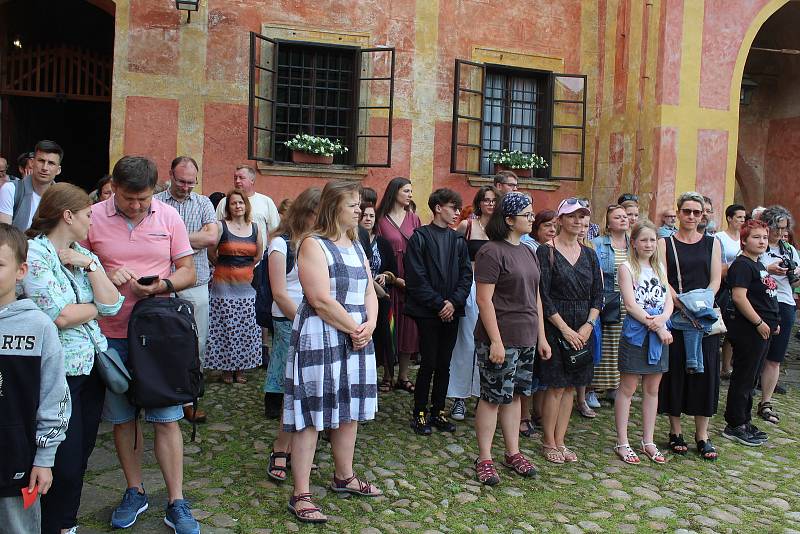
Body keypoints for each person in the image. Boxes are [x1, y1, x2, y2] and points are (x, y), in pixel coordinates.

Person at [82, 155, 200, 533]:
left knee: (166, 419)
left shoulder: (168, 216)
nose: (136, 206)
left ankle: (177, 500)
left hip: (158, 337)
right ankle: (135, 489)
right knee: (122, 418)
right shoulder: (91, 217)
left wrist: (162, 286)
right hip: (110, 333)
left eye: (144, 199)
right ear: (113, 187)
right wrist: (101, 272)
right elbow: (69, 264)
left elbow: (189, 271)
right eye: (129, 198)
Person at [22, 184, 124, 533]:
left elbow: (115, 304)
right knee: (58, 461)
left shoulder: (80, 253)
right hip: (57, 374)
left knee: (79, 457)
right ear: (68, 215)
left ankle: (66, 523)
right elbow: (58, 314)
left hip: (89, 370)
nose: (91, 223)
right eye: (87, 216)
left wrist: (92, 263)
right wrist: (95, 309)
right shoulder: (34, 255)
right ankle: (47, 524)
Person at [284, 180, 381, 523]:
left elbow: (370, 288)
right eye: (353, 204)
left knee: (349, 407)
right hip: (322, 334)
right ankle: (301, 494)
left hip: (356, 335)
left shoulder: (356, 242)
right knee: (311, 412)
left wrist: (371, 322)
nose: (360, 209)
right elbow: (320, 299)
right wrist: (356, 328)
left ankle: (344, 475)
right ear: (333, 206)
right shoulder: (313, 244)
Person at [473, 192, 550, 485]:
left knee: (516, 395)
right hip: (501, 338)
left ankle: (512, 451)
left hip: (526, 336)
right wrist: (495, 340)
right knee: (492, 397)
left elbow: (536, 298)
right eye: (527, 215)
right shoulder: (491, 252)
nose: (532, 218)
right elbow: (484, 300)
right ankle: (484, 457)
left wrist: (541, 337)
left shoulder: (529, 251)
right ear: (509, 219)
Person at [0, 224, 70, 534]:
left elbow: (54, 396)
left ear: (21, 270)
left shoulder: (39, 327)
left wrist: (44, 458)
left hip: (18, 463)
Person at [536, 197, 603, 464]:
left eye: (582, 216)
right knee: (555, 386)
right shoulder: (546, 251)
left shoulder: (589, 253)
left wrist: (588, 326)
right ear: (560, 220)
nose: (578, 221)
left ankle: (561, 439)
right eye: (573, 216)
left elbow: (598, 294)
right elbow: (543, 294)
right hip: (556, 325)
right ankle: (548, 441)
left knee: (571, 388)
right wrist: (564, 330)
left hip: (583, 327)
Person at [657, 191, 722, 461]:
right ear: (679, 212)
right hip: (677, 315)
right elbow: (663, 277)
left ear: (702, 215)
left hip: (705, 317)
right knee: (676, 373)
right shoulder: (665, 243)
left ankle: (702, 435)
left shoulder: (712, 243)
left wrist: (702, 304)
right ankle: (675, 431)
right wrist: (682, 304)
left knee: (704, 375)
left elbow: (715, 279)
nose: (692, 216)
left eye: (697, 212)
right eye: (687, 212)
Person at [262, 187, 321, 482]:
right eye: (315, 213)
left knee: (311, 391)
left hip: (318, 321)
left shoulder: (319, 242)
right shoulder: (280, 245)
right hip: (290, 321)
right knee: (292, 391)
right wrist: (305, 320)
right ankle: (280, 449)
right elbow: (280, 294)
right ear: (303, 212)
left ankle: (303, 450)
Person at [155, 156, 218, 423]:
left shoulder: (203, 203)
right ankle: (161, 394)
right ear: (170, 175)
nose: (186, 187)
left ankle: (190, 398)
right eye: (181, 181)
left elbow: (211, 237)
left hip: (196, 282)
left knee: (197, 343)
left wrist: (172, 237)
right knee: (160, 342)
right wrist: (193, 238)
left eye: (191, 182)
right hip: (162, 285)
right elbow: (150, 238)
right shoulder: (156, 202)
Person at [404, 188, 472, 435]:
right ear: (438, 208)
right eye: (453, 207)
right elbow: (415, 277)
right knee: (429, 362)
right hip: (427, 311)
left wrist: (453, 303)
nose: (456, 212)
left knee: (445, 363)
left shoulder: (457, 241)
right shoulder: (420, 237)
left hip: (451, 311)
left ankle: (438, 411)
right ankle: (420, 413)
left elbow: (466, 275)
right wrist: (438, 303)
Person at [615, 220, 673, 465]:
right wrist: (658, 326)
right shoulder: (627, 267)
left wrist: (662, 322)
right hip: (637, 334)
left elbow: (669, 299)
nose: (648, 244)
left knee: (652, 389)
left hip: (659, 334)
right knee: (628, 389)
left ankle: (648, 440)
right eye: (644, 240)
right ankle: (623, 441)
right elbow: (630, 304)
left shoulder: (659, 266)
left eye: (652, 240)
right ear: (634, 243)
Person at [722, 219, 778, 446]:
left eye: (764, 237)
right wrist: (758, 322)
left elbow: (765, 296)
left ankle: (745, 419)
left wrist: (774, 321)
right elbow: (739, 297)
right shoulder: (743, 265)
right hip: (749, 330)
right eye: (756, 237)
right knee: (743, 377)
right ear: (744, 240)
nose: (762, 241)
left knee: (752, 377)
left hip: (764, 331)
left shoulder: (759, 264)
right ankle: (735, 423)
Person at [449, 185, 498, 421]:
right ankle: (459, 398)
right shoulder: (467, 226)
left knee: (491, 343)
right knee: (467, 342)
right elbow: (453, 255)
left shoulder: (501, 229)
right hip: (470, 287)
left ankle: (483, 395)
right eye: (486, 200)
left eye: (494, 200)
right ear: (479, 203)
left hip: (496, 291)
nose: (490, 204)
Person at [206, 189, 263, 384]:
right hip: (223, 287)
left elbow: (258, 256)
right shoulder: (221, 227)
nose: (238, 206)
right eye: (234, 203)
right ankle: (226, 369)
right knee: (225, 328)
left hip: (247, 288)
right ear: (228, 207)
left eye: (241, 203)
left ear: (246, 205)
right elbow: (211, 254)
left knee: (246, 328)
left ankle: (241, 369)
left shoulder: (255, 228)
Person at [375, 177, 420, 393]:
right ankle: (387, 374)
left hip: (410, 276)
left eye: (411, 191)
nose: (410, 194)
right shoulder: (381, 219)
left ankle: (404, 375)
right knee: (389, 325)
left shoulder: (414, 218)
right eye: (406, 191)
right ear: (395, 192)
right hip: (390, 276)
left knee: (408, 328)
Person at [757, 206, 800, 424]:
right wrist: (768, 269)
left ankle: (766, 401)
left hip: (784, 302)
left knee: (775, 357)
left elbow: (797, 281)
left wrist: (793, 273)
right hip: (762, 302)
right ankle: (745, 397)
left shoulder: (789, 250)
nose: (781, 233)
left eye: (784, 228)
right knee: (757, 353)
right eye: (777, 228)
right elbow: (748, 269)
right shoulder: (758, 245)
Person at [587, 205, 630, 415]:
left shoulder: (633, 244)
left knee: (621, 346)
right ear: (608, 222)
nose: (623, 220)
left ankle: (615, 386)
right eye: (618, 217)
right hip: (608, 299)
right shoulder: (598, 244)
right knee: (602, 345)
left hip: (628, 302)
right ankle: (593, 388)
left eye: (625, 216)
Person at [358, 202, 397, 392]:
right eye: (364, 215)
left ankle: (388, 376)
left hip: (382, 297)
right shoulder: (356, 239)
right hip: (362, 295)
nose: (367, 219)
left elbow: (394, 272)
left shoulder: (383, 243)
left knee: (385, 337)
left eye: (371, 216)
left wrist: (386, 276)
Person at [0, 141, 63, 231]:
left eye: (51, 163)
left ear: (58, 170)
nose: (45, 168)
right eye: (41, 161)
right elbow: (5, 234)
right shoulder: (11, 189)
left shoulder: (62, 198)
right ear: (32, 163)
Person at [215, 165, 280, 249]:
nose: (237, 181)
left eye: (241, 178)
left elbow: (275, 232)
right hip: (229, 256)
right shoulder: (224, 202)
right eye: (235, 178)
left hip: (259, 258)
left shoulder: (266, 202)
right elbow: (215, 230)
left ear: (252, 180)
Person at [716, 204, 746, 379]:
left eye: (744, 217)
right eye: (739, 217)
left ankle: (727, 366)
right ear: (729, 218)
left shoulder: (745, 238)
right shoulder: (720, 237)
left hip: (742, 286)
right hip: (724, 287)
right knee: (721, 326)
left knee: (733, 330)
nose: (742, 220)